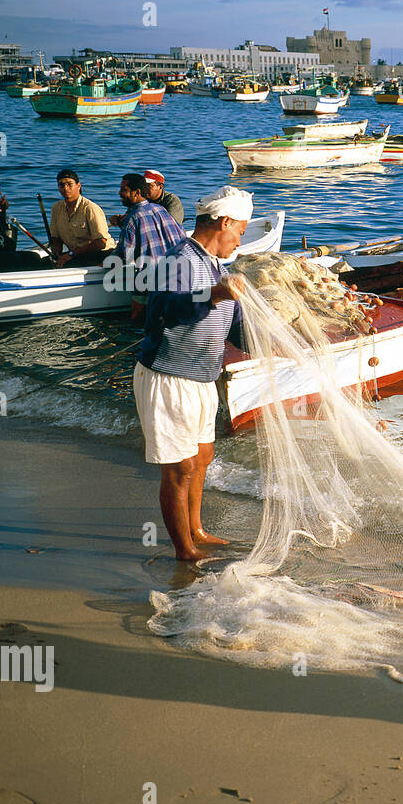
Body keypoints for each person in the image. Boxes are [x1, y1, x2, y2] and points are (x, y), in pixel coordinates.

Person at [133, 186, 252, 562]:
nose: (239, 241)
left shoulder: (219, 267)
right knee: (180, 468)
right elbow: (167, 309)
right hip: (169, 375)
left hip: (203, 377)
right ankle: (184, 549)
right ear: (225, 221)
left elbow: (234, 328)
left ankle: (197, 529)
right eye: (240, 232)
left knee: (201, 458)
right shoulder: (180, 258)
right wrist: (215, 295)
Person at [114, 172, 185, 323]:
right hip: (176, 273)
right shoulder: (160, 209)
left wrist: (106, 261)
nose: (120, 193)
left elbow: (125, 257)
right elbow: (182, 238)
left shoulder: (133, 218)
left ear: (137, 193)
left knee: (136, 316)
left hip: (150, 278)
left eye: (123, 190)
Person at [49, 168, 115, 267]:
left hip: (102, 254)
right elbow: (55, 237)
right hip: (76, 254)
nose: (65, 188)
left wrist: (72, 254)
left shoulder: (91, 208)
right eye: (61, 185)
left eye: (69, 184)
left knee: (68, 265)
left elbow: (101, 243)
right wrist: (57, 254)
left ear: (78, 186)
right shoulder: (56, 208)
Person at [112, 169, 184, 227]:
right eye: (144, 186)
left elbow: (172, 227)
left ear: (160, 187)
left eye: (149, 186)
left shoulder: (172, 200)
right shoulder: (141, 199)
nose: (145, 189)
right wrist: (120, 220)